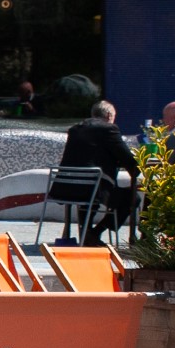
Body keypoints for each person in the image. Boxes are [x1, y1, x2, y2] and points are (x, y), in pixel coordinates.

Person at [58, 100, 141, 245]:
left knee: (91, 190)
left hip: (66, 187)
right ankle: (96, 232)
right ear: (109, 115)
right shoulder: (109, 129)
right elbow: (128, 160)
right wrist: (136, 170)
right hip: (92, 190)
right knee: (132, 198)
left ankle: (86, 232)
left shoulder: (75, 129)